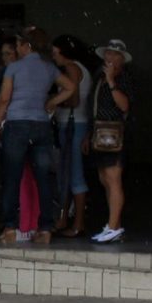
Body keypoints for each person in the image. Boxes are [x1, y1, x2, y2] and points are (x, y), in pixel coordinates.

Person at [0, 27, 64, 245]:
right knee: (43, 179)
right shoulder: (49, 68)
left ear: (27, 45)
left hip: (16, 124)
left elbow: (4, 99)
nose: (18, 49)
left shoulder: (14, 68)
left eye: (19, 45)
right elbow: (71, 87)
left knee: (12, 177)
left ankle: (11, 228)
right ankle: (45, 228)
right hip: (41, 124)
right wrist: (51, 102)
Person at [87, 40, 135, 243]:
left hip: (114, 133)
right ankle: (113, 225)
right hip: (99, 133)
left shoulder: (123, 78)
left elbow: (124, 105)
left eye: (115, 54)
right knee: (104, 179)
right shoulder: (99, 77)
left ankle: (114, 226)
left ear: (122, 59)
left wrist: (112, 81)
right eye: (108, 53)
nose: (110, 58)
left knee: (113, 178)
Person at [48, 35, 95, 237]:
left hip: (73, 124)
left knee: (73, 174)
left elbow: (73, 99)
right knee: (68, 173)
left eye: (55, 52)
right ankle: (64, 219)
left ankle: (77, 223)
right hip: (76, 124)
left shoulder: (71, 68)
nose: (53, 56)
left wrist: (52, 102)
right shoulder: (81, 67)